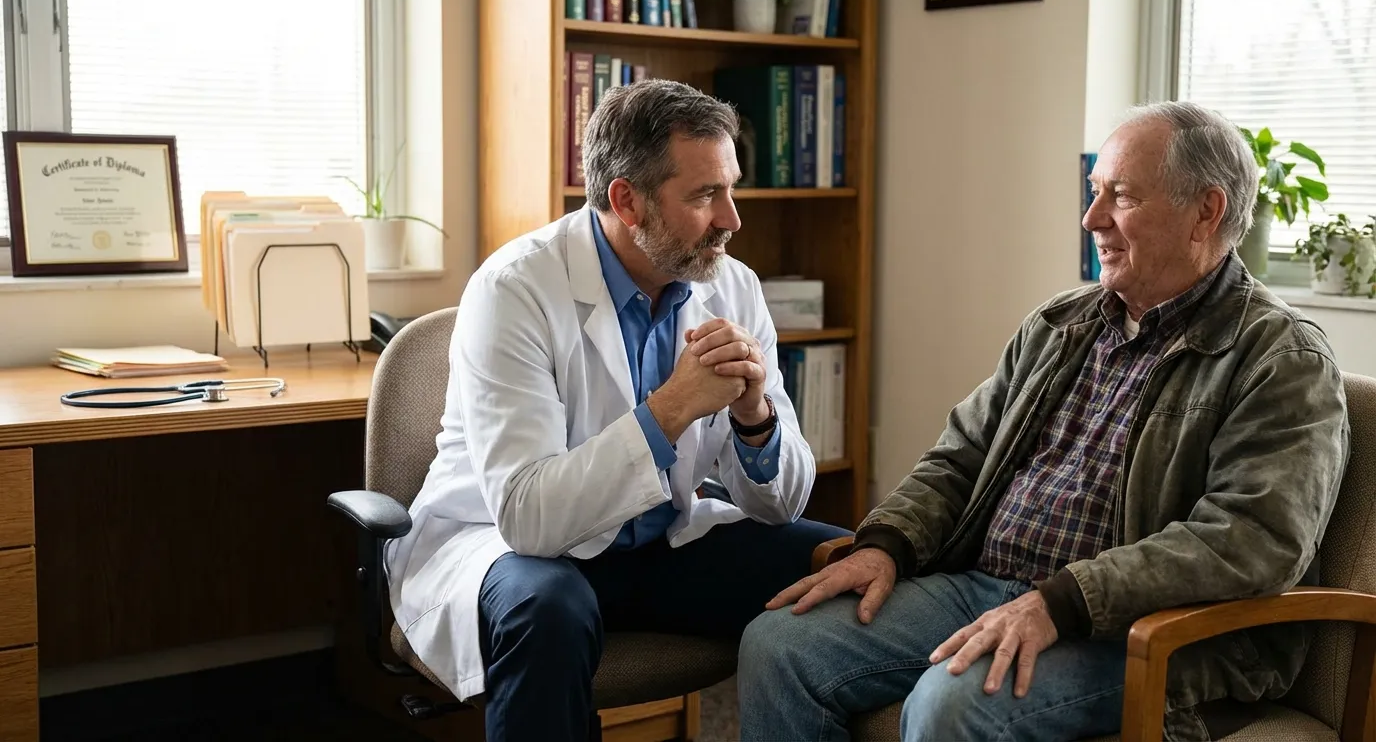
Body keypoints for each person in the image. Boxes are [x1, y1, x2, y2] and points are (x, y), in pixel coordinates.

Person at [736, 100, 1350, 742]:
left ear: (1206, 212)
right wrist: (887, 543)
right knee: (780, 645)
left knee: (953, 705)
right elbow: (962, 453)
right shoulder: (1062, 322)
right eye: (1094, 193)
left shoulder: (1280, 358)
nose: (1093, 219)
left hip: (1139, 631)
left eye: (1123, 198)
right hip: (985, 584)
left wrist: (1065, 601)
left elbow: (1252, 538)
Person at [383, 78, 850, 741]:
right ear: (627, 201)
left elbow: (781, 506)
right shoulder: (515, 289)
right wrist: (668, 412)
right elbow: (528, 519)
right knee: (549, 609)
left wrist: (754, 418)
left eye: (731, 188)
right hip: (512, 548)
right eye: (704, 196)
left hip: (662, 541)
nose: (732, 219)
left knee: (846, 568)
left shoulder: (731, 285)